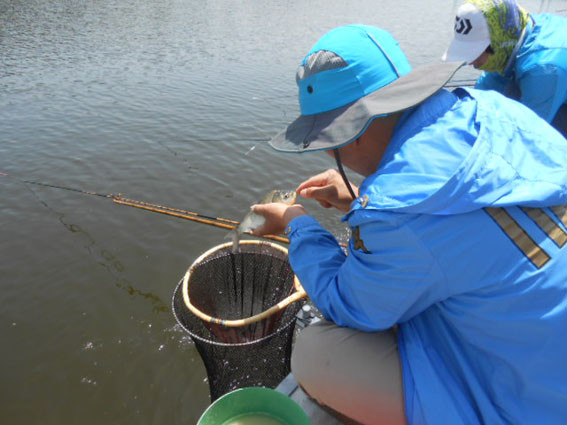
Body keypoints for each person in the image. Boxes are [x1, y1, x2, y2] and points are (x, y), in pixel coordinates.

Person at [251, 24, 567, 425]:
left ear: (353, 133)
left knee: (316, 353)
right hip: (547, 354)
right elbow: (469, 210)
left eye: (328, 140)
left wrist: (296, 223)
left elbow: (345, 303)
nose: (331, 152)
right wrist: (358, 196)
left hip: (530, 405)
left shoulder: (394, 216)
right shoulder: (494, 107)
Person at [442, 0, 567, 137]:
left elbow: (527, 134)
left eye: (475, 51)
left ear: (498, 43)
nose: (470, 61)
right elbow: (484, 91)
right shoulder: (513, 36)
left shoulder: (543, 69)